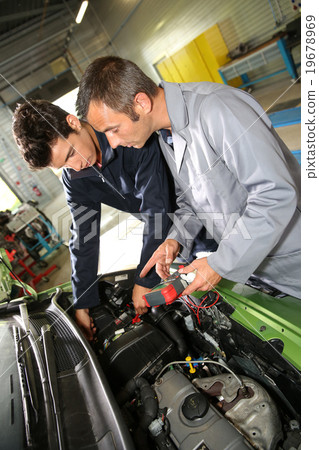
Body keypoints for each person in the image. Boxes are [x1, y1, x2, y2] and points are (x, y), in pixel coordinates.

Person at [75, 56, 301, 299]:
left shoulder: (217, 109)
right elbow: (192, 202)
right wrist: (176, 239)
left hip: (297, 257)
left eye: (113, 129)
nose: (113, 143)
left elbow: (274, 194)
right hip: (261, 269)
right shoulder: (165, 136)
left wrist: (220, 263)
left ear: (141, 102)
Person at [12, 99, 178, 340]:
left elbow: (158, 210)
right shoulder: (75, 177)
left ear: (73, 122)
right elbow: (84, 238)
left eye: (71, 153)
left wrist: (144, 278)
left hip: (196, 212)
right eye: (64, 165)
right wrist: (82, 303)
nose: (75, 166)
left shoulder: (123, 133)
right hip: (167, 240)